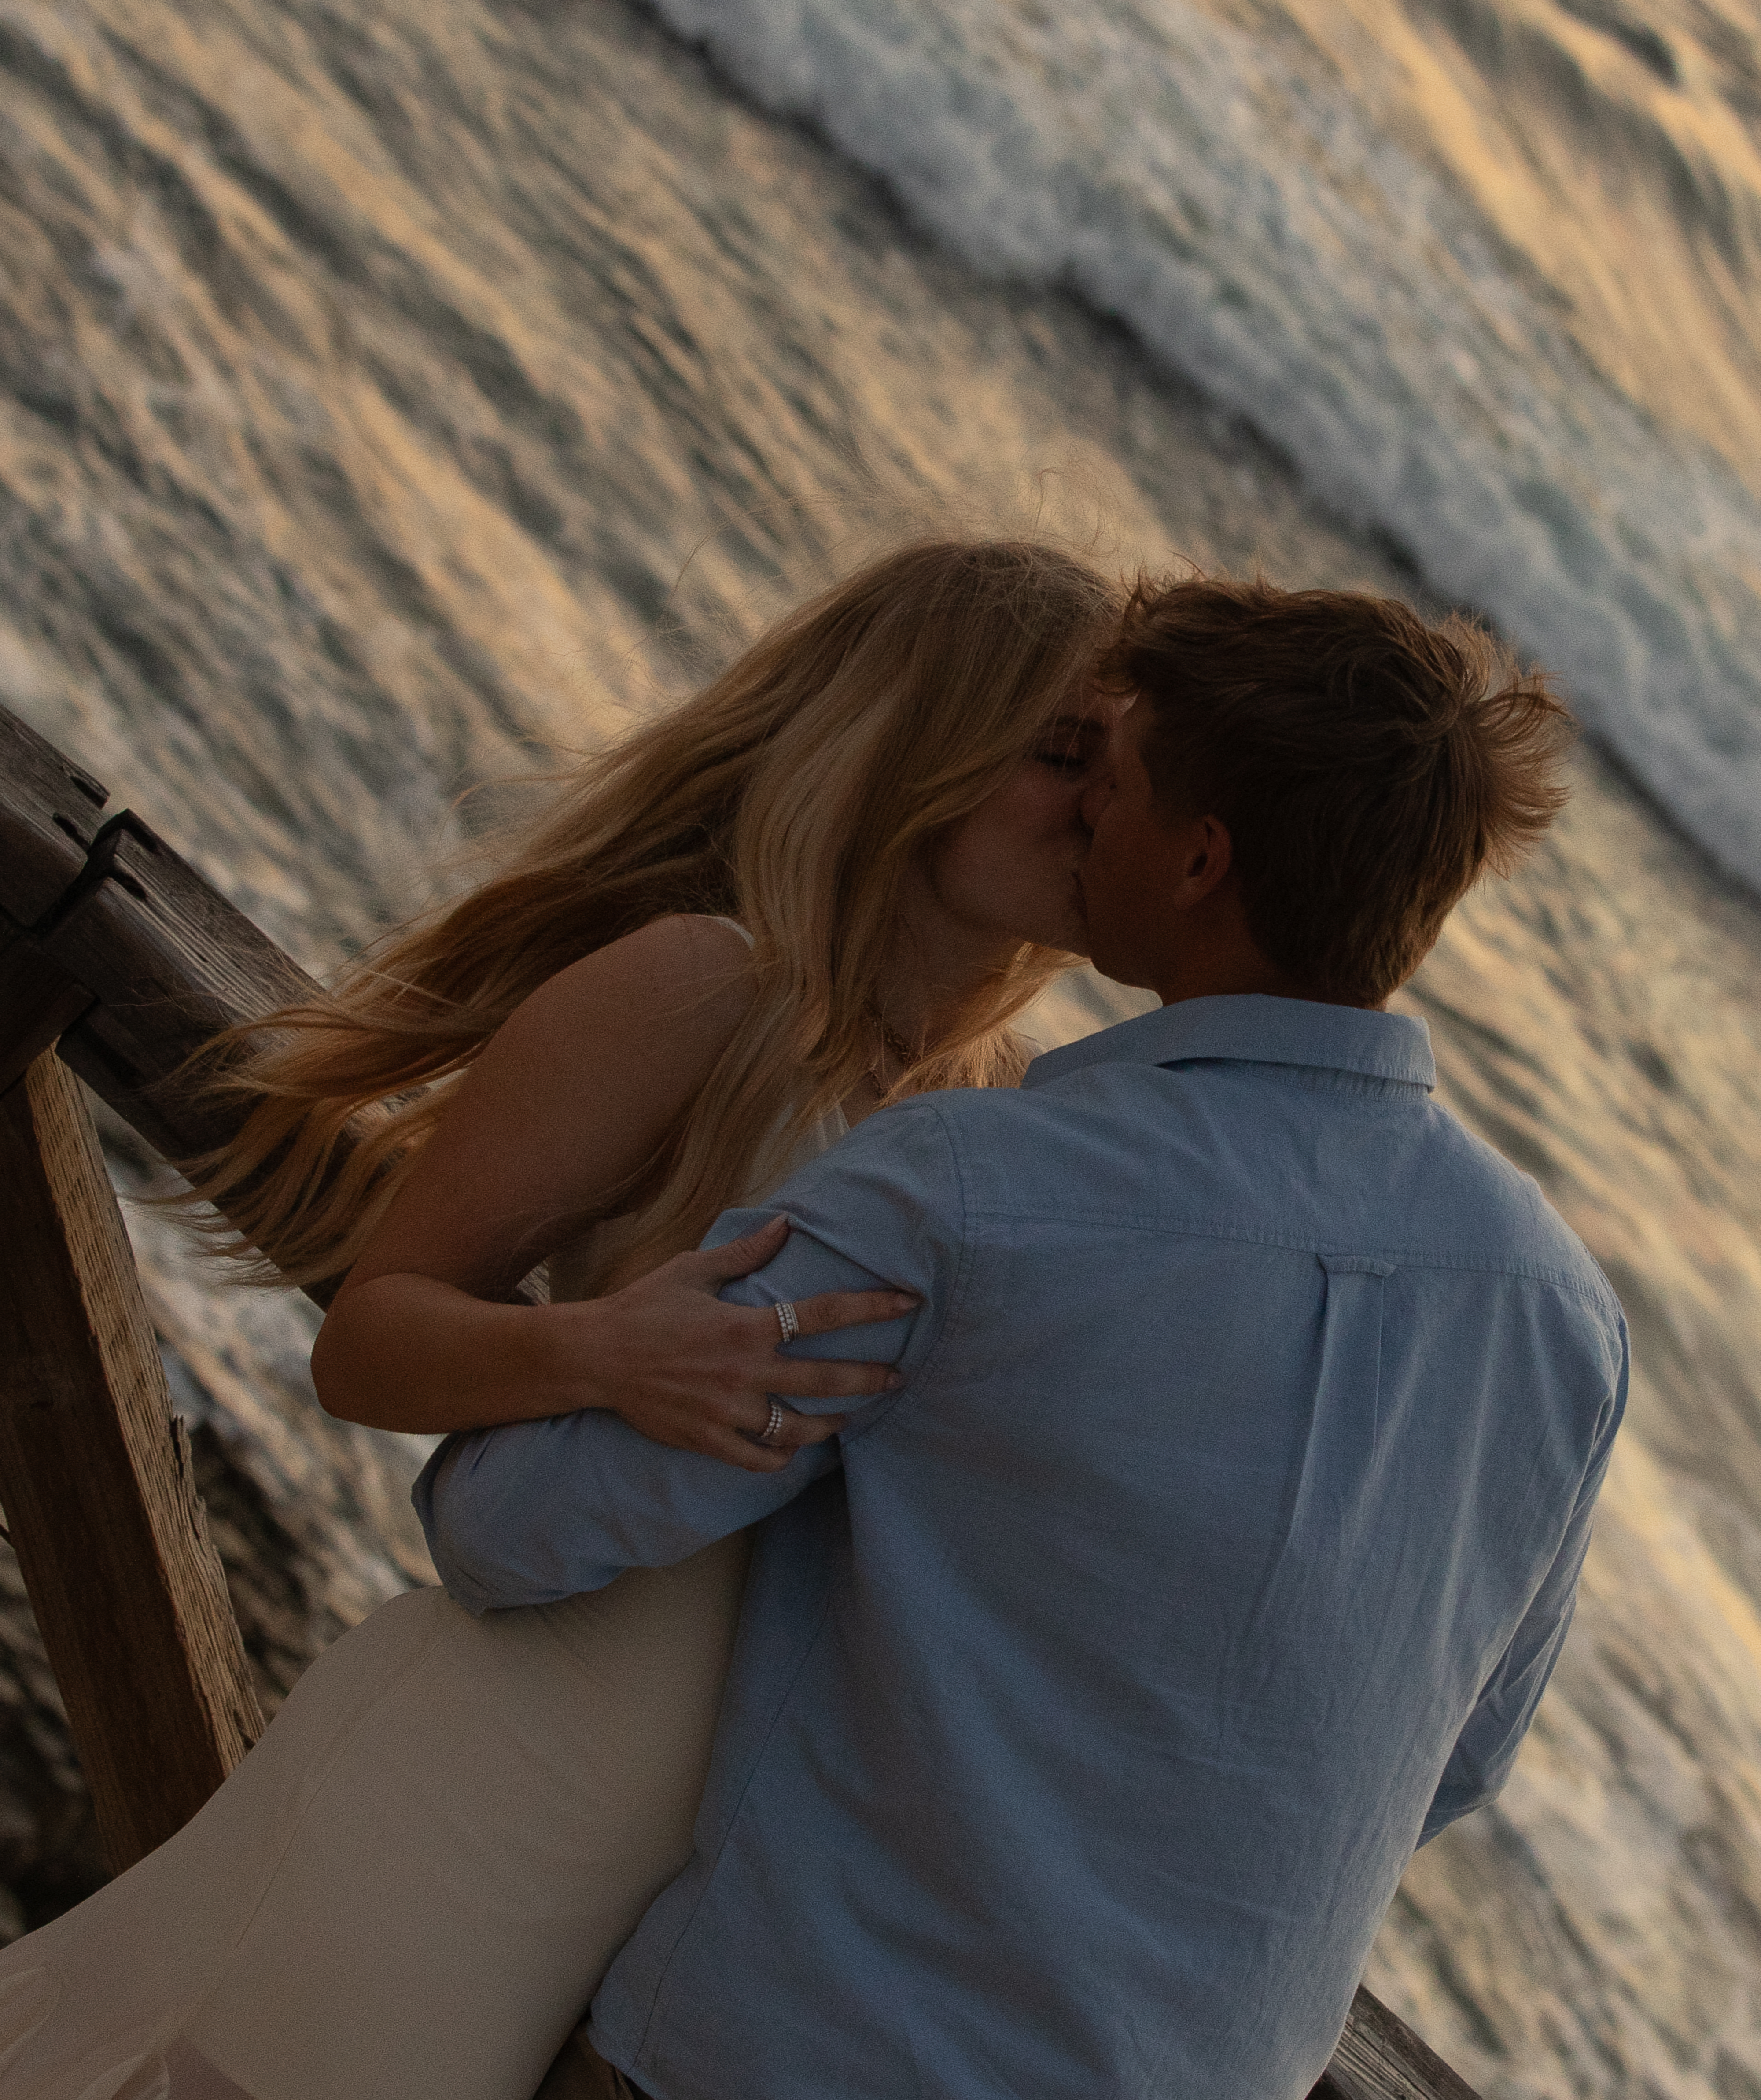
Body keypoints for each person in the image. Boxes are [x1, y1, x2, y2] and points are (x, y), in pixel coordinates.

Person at [419, 572, 1628, 2100]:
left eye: (1109, 786)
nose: (1082, 823)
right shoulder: (1561, 1321)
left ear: (1198, 859)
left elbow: (515, 1533)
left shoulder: (975, 1193)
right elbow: (1451, 1767)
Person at [0, 536, 1123, 2100]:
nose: (1102, 808)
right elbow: (372, 1335)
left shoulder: (996, 1131)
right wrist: (594, 1352)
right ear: (912, 743)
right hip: (453, 1830)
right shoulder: (706, 990)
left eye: (1125, 771)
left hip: (633, 1946)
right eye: (1061, 752)